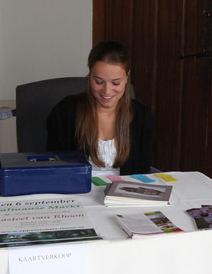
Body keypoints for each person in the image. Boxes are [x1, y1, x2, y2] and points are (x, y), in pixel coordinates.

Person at [46, 40, 155, 176]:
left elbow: (142, 172)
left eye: (116, 83)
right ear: (90, 75)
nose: (107, 91)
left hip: (124, 188)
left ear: (127, 77)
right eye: (98, 82)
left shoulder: (142, 117)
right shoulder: (64, 113)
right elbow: (54, 169)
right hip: (77, 187)